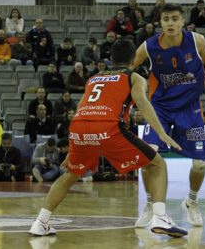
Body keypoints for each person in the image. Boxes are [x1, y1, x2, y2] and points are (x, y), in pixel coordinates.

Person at [29, 39, 187, 238]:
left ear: (111, 58)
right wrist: (162, 133)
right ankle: (161, 217)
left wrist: (73, 147)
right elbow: (143, 104)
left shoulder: (93, 78)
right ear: (133, 60)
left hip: (79, 127)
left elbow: (81, 108)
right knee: (157, 165)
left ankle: (40, 222)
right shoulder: (134, 77)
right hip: (108, 127)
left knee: (70, 174)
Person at [132, 4, 205, 228]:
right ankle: (151, 203)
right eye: (166, 19)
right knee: (148, 157)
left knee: (199, 165)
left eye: (174, 19)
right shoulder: (148, 47)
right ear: (160, 23)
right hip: (160, 109)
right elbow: (128, 70)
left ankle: (192, 201)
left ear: (183, 21)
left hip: (190, 109)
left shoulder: (197, 41)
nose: (170, 23)